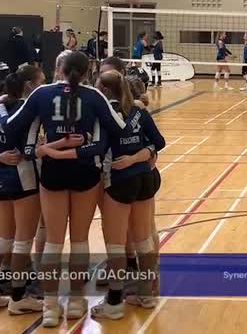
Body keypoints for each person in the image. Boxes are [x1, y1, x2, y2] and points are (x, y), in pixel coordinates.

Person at [3, 50, 127, 327]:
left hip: (52, 173)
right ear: (86, 72)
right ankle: (75, 300)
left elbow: (11, 126)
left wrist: (46, 147)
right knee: (80, 240)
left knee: (53, 241)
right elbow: (119, 128)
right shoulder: (94, 96)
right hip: (85, 171)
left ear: (58, 69)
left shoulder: (41, 94)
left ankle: (50, 306)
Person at [83, 71, 164, 319]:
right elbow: (158, 142)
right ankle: (146, 294)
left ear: (105, 91)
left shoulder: (105, 114)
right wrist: (138, 156)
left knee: (115, 244)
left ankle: (115, 302)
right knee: (143, 239)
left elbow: (98, 148)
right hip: (145, 178)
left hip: (119, 180)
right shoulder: (139, 111)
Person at [0, 64, 45, 315]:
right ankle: (18, 297)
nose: (43, 86)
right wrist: (45, 147)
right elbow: (28, 151)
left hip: (0, 177)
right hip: (24, 178)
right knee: (23, 241)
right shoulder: (31, 111)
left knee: (4, 238)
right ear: (29, 85)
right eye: (41, 82)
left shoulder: (1, 107)